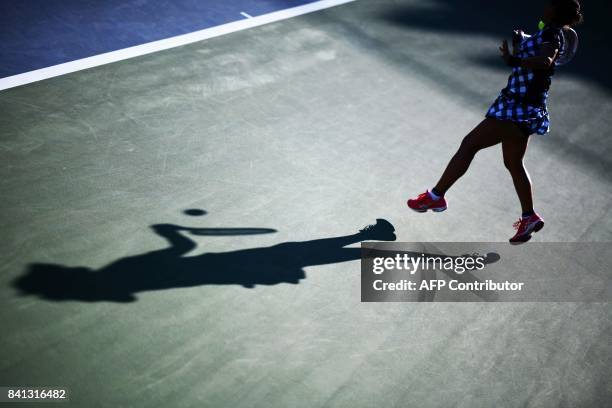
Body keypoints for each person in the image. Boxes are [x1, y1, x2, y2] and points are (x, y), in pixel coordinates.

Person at [407, 0, 583, 243]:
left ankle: (436, 196)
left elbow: (545, 61)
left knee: (470, 144)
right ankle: (529, 217)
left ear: (555, 9)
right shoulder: (548, 33)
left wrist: (515, 60)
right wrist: (522, 42)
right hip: (525, 106)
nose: (544, 4)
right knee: (513, 162)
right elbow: (539, 56)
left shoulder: (552, 35)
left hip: (518, 108)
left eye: (549, 3)